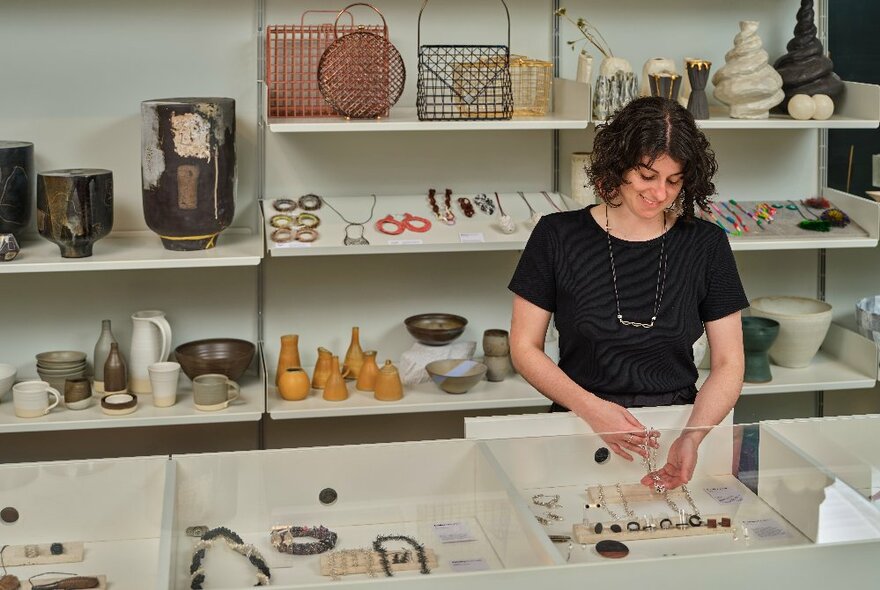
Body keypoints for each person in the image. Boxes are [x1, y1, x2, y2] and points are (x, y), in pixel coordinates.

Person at [508, 96, 748, 491]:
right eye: (646, 176)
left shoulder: (706, 244)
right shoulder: (556, 236)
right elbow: (524, 347)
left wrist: (693, 435)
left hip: (677, 427)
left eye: (674, 181)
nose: (659, 193)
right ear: (618, 166)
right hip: (578, 423)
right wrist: (592, 410)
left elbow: (729, 363)